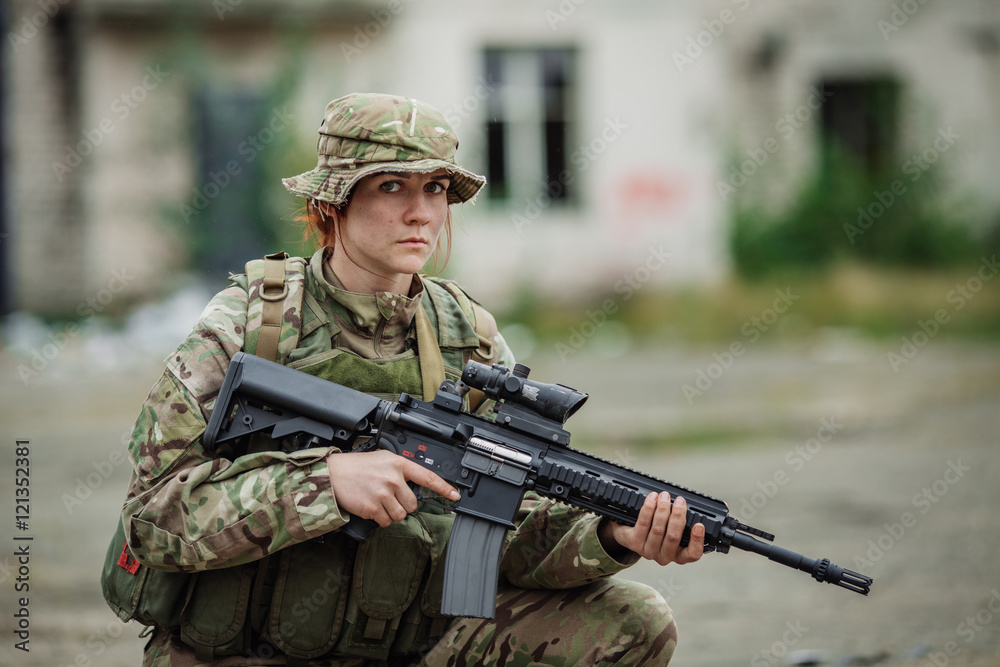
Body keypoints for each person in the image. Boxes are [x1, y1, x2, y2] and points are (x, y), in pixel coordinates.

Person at [106, 92, 704, 666]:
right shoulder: (251, 325)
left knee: (633, 622)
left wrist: (610, 533)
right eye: (392, 186)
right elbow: (154, 519)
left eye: (436, 189)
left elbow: (509, 535)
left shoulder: (468, 338)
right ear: (332, 202)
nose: (422, 212)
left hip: (411, 646)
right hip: (241, 650)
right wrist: (326, 483)